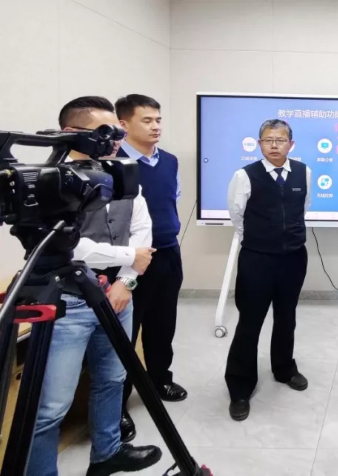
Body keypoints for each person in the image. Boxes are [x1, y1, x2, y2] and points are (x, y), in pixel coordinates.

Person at [27, 96, 162, 476]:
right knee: (51, 406)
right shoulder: (50, 180)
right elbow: (69, 246)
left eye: (116, 132)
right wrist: (127, 256)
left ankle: (107, 454)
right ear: (72, 133)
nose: (114, 140)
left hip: (117, 296)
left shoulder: (121, 174)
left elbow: (142, 232)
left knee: (113, 379)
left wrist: (126, 282)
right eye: (105, 133)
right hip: (66, 303)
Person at [225, 118, 312, 421]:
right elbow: (237, 217)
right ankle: (239, 387)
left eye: (280, 140)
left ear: (291, 144)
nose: (274, 145)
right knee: (250, 322)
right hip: (257, 259)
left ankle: (284, 368)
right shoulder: (244, 175)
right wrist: (261, 240)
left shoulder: (303, 172)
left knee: (287, 317)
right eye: (268, 140)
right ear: (260, 143)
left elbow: (303, 207)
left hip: (294, 258)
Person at [115, 94, 187, 441]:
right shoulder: (113, 163)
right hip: (129, 260)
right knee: (124, 333)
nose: (156, 126)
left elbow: (172, 199)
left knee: (163, 322)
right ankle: (116, 404)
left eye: (158, 119)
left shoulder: (169, 161)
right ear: (123, 124)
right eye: (147, 120)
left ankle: (159, 379)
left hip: (168, 252)